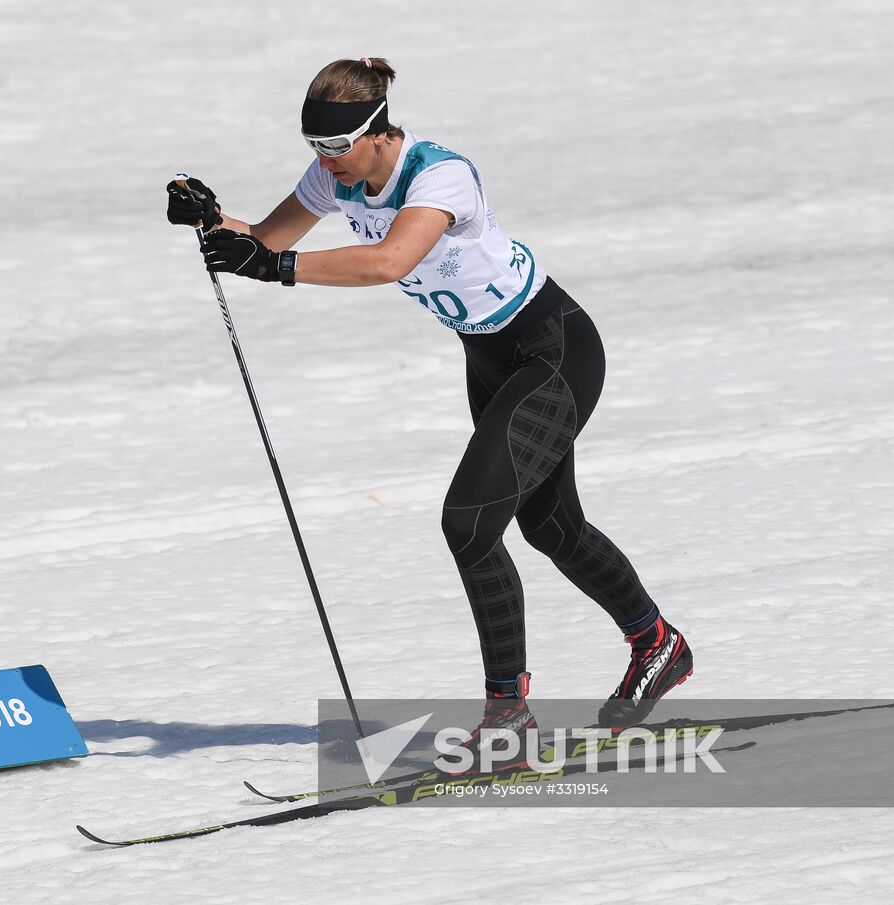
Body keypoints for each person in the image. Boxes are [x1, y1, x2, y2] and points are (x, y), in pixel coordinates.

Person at [166, 57, 691, 730]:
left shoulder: (440, 174)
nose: (324, 163)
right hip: (490, 359)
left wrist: (276, 268)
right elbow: (265, 243)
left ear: (378, 131)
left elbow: (390, 261)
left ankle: (508, 716)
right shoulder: (336, 176)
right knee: (550, 526)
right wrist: (210, 217)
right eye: (313, 149)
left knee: (469, 525)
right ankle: (658, 643)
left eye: (334, 146)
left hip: (552, 351)